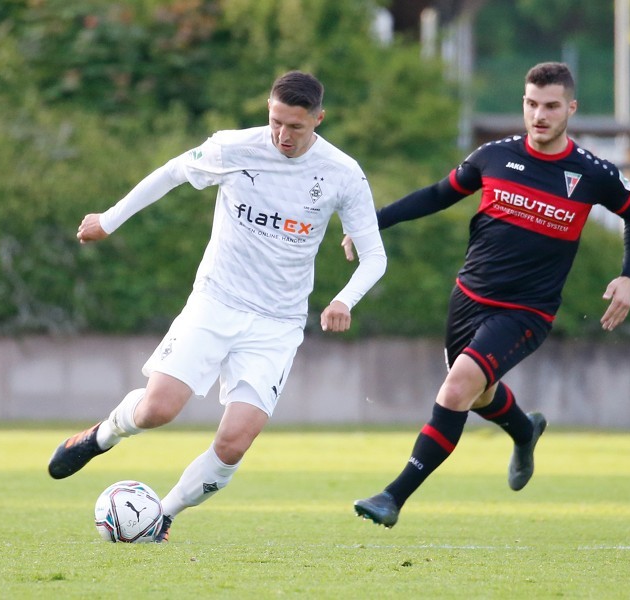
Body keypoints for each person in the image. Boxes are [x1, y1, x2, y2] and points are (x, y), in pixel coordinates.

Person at [47, 71, 387, 542]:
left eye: (296, 127)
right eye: (276, 122)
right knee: (157, 411)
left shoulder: (342, 173)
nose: (282, 136)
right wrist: (108, 220)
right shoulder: (234, 148)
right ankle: (101, 435)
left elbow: (375, 256)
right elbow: (169, 173)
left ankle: (160, 517)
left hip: (278, 324)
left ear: (319, 120)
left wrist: (343, 299)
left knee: (234, 443)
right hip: (216, 301)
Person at [350, 62, 630, 528]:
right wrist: (372, 223)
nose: (540, 115)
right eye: (532, 104)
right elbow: (436, 195)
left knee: (455, 389)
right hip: (468, 298)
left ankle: (393, 497)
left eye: (551, 106)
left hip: (526, 312)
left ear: (571, 108)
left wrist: (628, 275)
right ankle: (523, 429)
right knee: (477, 391)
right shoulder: (493, 156)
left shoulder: (592, 173)